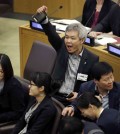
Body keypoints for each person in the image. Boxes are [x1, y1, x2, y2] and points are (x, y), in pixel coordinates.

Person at [36, 5, 99, 106]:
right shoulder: (62, 47)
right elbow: (51, 34)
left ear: (82, 40)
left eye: (73, 38)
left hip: (74, 101)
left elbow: (93, 86)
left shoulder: (92, 59)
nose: (68, 41)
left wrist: (79, 95)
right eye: (66, 37)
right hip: (54, 95)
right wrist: (43, 18)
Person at [0, 53, 28, 123]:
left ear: (6, 71)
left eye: (0, 71)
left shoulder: (14, 87)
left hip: (5, 119)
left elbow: (18, 113)